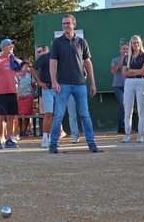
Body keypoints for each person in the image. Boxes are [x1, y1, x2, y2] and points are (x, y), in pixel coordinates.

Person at [48, 14, 101, 153]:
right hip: (62, 84)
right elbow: (52, 63)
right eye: (63, 23)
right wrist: (54, 81)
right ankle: (53, 144)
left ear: (74, 24)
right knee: (59, 114)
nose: (65, 26)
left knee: (85, 114)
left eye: (68, 23)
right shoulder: (57, 43)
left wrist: (92, 83)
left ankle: (92, 144)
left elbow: (88, 63)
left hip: (80, 84)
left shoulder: (82, 42)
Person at [0, 40, 21, 149]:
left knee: (12, 117)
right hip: (1, 93)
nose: (11, 46)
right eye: (8, 44)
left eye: (12, 44)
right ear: (3, 47)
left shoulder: (13, 60)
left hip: (12, 91)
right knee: (0, 117)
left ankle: (9, 139)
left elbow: (19, 74)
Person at [121, 35, 144, 144]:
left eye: (138, 43)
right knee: (128, 109)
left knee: (141, 109)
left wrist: (132, 70)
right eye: (134, 43)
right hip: (129, 82)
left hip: (141, 82)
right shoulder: (126, 57)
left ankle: (140, 135)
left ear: (140, 43)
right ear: (131, 44)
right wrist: (136, 70)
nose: (136, 45)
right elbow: (124, 73)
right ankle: (127, 135)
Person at [111, 43, 129, 134]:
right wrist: (121, 60)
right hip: (118, 86)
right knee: (123, 105)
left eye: (127, 49)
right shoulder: (115, 60)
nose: (125, 50)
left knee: (128, 106)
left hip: (129, 86)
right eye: (123, 49)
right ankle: (122, 127)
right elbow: (113, 71)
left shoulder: (131, 60)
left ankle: (124, 127)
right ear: (120, 50)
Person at [16, 61, 35, 137]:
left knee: (27, 114)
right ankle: (20, 130)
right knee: (19, 114)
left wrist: (32, 93)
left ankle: (24, 131)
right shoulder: (17, 76)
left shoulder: (30, 76)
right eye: (25, 66)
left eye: (28, 66)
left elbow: (34, 85)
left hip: (28, 96)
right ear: (21, 67)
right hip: (19, 97)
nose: (27, 67)